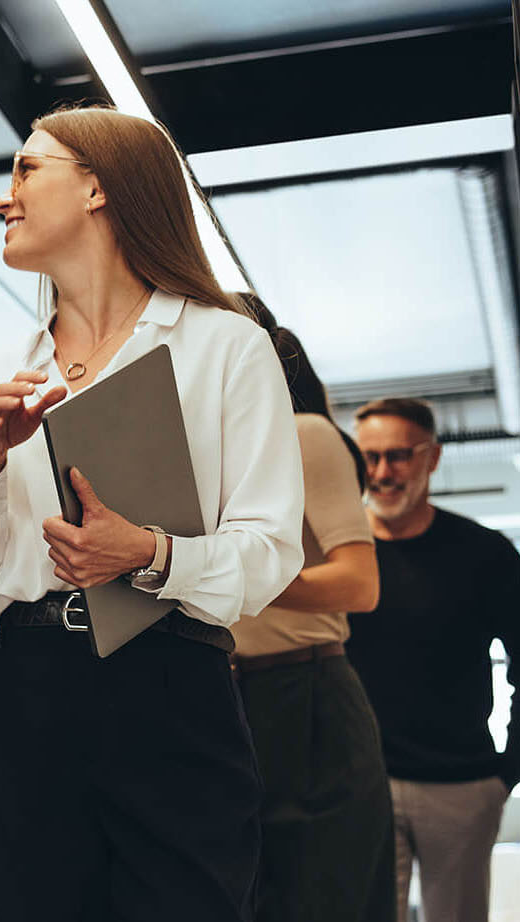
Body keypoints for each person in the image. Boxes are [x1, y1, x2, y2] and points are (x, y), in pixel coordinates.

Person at [0, 104, 304, 922]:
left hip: (169, 682)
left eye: (28, 169)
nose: (5, 196)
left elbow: (270, 551)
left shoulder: (225, 346)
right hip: (23, 691)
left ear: (98, 188)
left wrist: (149, 553)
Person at [230, 297, 394, 922]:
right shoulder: (214, 454)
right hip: (236, 699)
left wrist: (226, 574)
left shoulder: (304, 433)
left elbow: (360, 584)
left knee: (319, 901)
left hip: (307, 695)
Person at [346, 397, 520, 922]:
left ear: (433, 458)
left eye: (397, 456)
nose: (381, 473)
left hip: (463, 787)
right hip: (363, 788)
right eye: (368, 457)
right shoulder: (339, 557)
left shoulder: (485, 553)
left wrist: (507, 772)